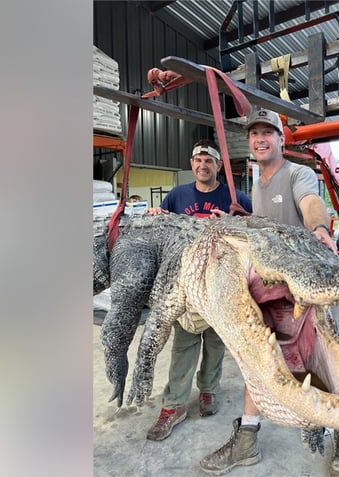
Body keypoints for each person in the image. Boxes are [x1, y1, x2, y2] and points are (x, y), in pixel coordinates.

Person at [199, 109, 339, 477]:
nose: (260, 139)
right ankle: (247, 439)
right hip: (277, 293)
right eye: (254, 134)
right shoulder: (257, 179)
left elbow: (310, 203)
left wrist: (319, 228)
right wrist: (235, 223)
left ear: (282, 139)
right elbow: (266, 228)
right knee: (261, 359)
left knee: (329, 364)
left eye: (268, 132)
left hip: (312, 287)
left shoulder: (298, 173)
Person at [145, 139, 253, 441]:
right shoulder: (177, 196)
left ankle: (208, 391)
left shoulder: (234, 197)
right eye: (198, 160)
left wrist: (234, 221)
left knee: (217, 343)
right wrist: (156, 216)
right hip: (187, 285)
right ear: (192, 164)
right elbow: (164, 227)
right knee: (183, 344)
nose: (203, 165)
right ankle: (174, 405)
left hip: (221, 283)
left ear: (219, 165)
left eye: (209, 161)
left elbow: (256, 228)